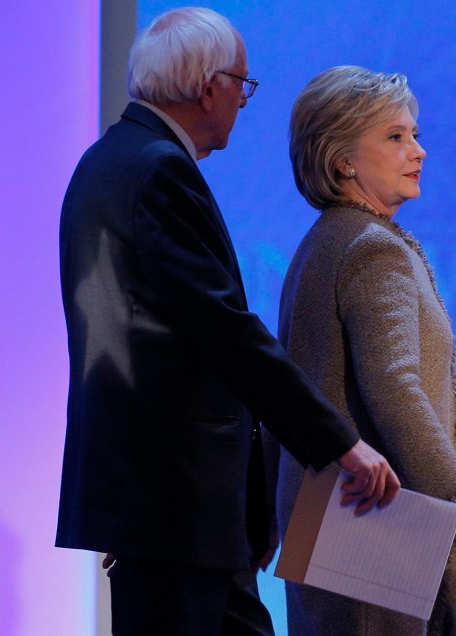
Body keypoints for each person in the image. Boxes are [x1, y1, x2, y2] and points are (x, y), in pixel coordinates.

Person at [55, 11, 400, 635]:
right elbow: (223, 331)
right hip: (179, 501)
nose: (244, 101)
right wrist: (339, 444)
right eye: (243, 84)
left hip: (151, 498)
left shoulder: (106, 160)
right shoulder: (160, 170)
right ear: (209, 86)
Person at [266, 65, 456, 635]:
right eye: (395, 137)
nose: (418, 151)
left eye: (415, 134)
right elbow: (395, 386)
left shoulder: (321, 243)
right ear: (344, 160)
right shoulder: (373, 250)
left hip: (321, 522)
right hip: (370, 524)